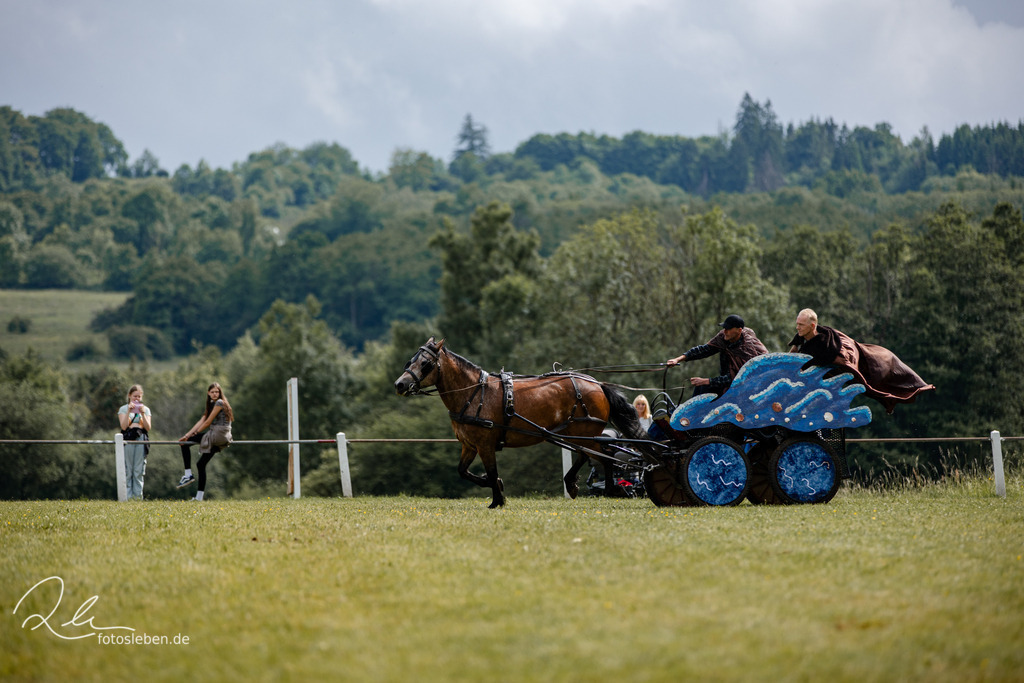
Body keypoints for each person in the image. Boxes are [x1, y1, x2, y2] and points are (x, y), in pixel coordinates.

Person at [788, 308, 935, 414]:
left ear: (812, 326)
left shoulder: (824, 346)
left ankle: (910, 388)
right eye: (797, 324)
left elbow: (824, 362)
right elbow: (793, 352)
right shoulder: (803, 334)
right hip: (828, 366)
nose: (797, 327)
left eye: (801, 325)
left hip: (846, 358)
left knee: (873, 375)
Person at [666, 314, 768, 396]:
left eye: (728, 329)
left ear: (739, 330)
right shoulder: (723, 338)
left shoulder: (748, 349)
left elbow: (739, 378)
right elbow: (703, 350)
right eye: (724, 328)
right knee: (701, 387)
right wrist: (678, 359)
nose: (725, 331)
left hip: (746, 388)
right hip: (726, 382)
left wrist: (708, 381)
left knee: (704, 385)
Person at [176, 382, 233, 501]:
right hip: (220, 436)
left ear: (220, 393)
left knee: (185, 444)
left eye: (217, 392)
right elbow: (202, 420)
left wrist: (193, 435)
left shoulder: (219, 402)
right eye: (212, 392)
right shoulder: (212, 404)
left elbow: (207, 423)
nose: (214, 394)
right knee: (201, 464)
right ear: (208, 393)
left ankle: (188, 474)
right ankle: (199, 497)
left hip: (218, 434)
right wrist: (187, 435)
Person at [118, 384, 152, 500]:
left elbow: (147, 427)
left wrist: (142, 413)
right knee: (128, 469)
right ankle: (127, 497)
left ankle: (137, 498)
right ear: (129, 396)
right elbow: (123, 426)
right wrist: (128, 411)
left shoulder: (146, 409)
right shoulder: (123, 409)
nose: (136, 399)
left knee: (138, 470)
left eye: (139, 396)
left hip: (141, 439)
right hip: (128, 439)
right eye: (134, 396)